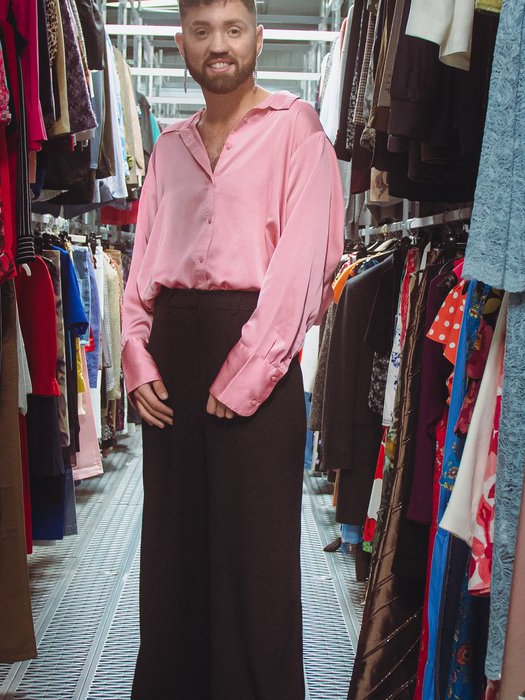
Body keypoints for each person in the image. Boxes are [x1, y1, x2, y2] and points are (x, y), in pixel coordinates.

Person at [119, 0, 344, 696]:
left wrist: (246, 370)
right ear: (181, 40)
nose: (218, 46)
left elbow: (306, 263)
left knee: (256, 569)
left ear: (259, 39)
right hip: (173, 367)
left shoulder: (297, 130)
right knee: (172, 565)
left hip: (261, 364)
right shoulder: (167, 149)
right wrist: (134, 355)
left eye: (233, 29)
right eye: (201, 30)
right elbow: (141, 266)